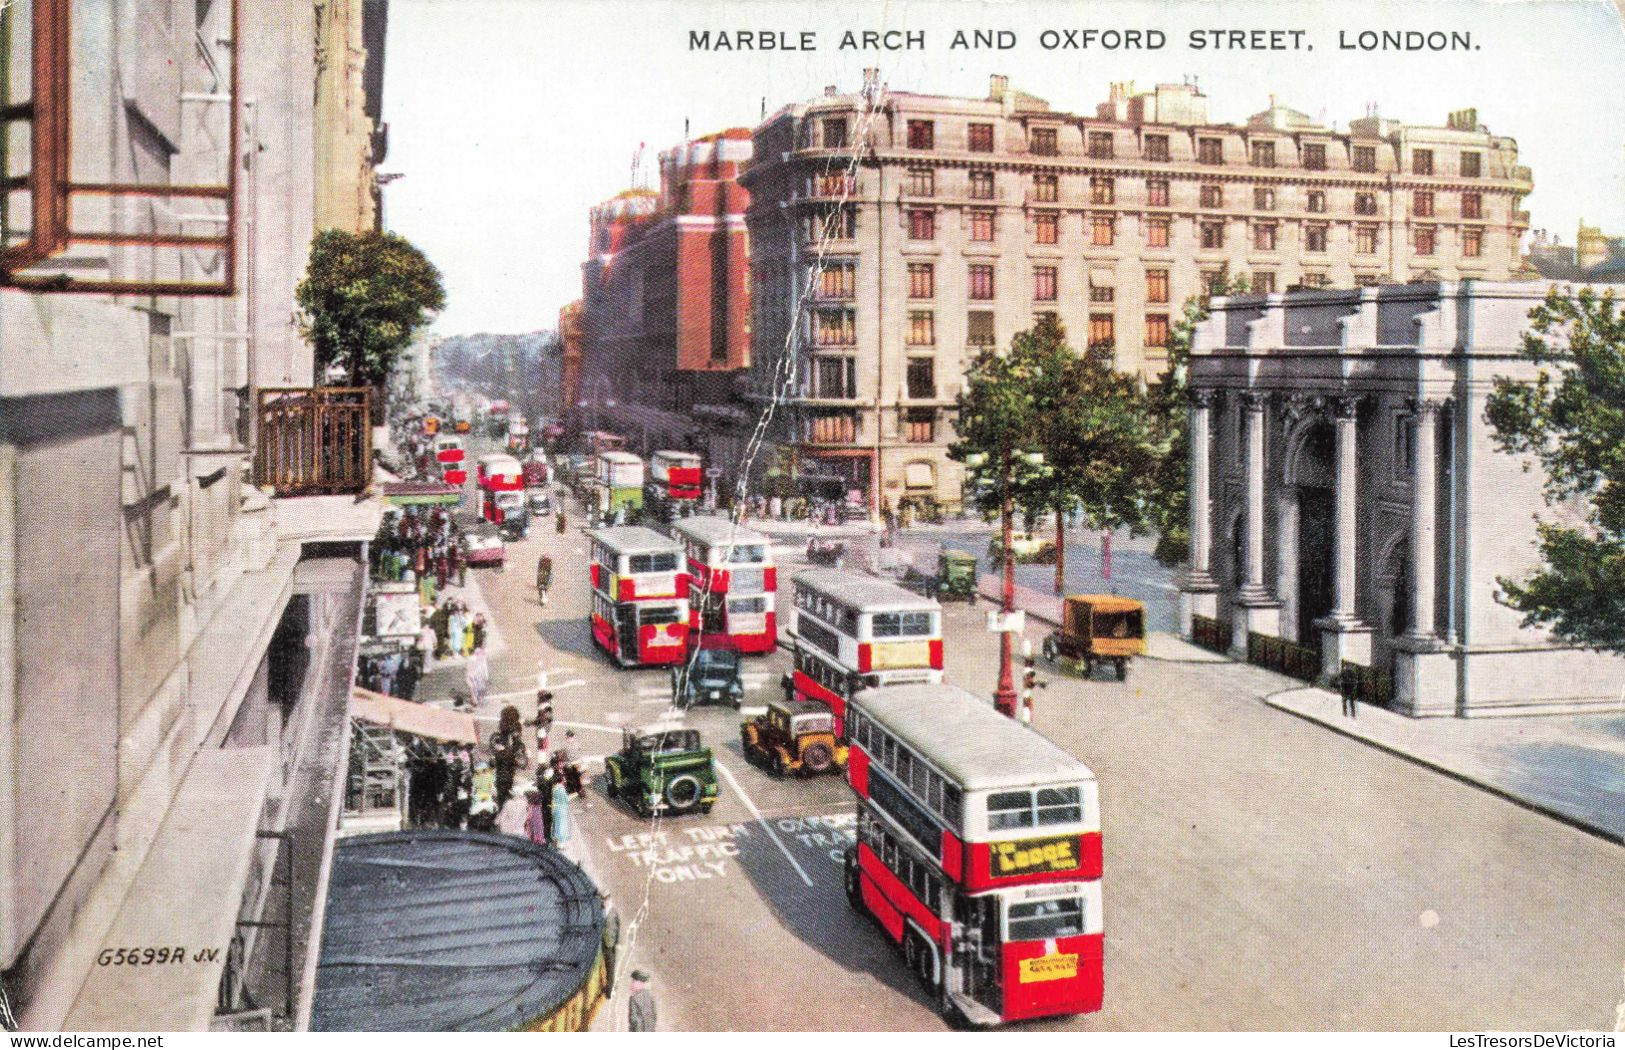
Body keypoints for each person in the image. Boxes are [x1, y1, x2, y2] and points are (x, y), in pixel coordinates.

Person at [489, 704, 528, 808]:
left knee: (503, 800)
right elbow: (523, 764)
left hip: (502, 775)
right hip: (507, 775)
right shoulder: (516, 744)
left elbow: (492, 762)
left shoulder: (496, 738)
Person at [464, 645, 490, 710]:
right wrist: (486, 676)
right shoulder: (479, 659)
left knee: (474, 688)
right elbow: (484, 668)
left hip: (475, 675)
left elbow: (468, 668)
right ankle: (476, 700)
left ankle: (476, 700)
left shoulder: (473, 658)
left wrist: (468, 675)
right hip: (476, 675)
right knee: (475, 687)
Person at [550, 774, 571, 848]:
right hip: (561, 810)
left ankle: (556, 842)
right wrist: (573, 795)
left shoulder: (554, 788)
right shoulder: (561, 789)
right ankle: (560, 845)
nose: (565, 780)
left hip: (555, 808)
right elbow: (566, 800)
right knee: (562, 826)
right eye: (564, 779)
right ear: (561, 780)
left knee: (557, 825)